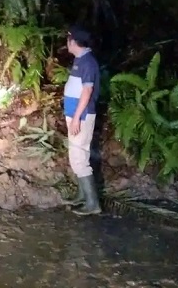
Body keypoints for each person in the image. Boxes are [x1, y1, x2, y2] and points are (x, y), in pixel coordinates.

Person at [62, 24, 101, 216]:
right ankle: (82, 196)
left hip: (82, 117)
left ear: (73, 42)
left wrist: (77, 118)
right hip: (75, 116)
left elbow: (87, 91)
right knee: (76, 157)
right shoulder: (81, 60)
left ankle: (93, 204)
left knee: (79, 158)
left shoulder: (88, 62)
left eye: (68, 39)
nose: (66, 42)